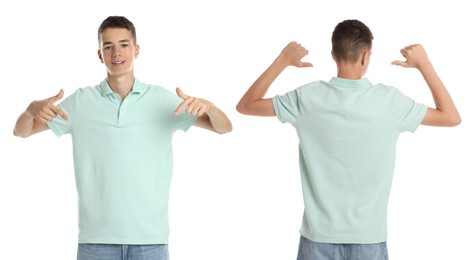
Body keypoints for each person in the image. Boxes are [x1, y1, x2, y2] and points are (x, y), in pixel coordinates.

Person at [236, 19, 460, 260]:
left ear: (333, 55)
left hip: (317, 239)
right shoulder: (390, 102)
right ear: (366, 56)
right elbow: (450, 117)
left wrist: (282, 61)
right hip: (369, 239)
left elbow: (246, 105)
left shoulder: (306, 98)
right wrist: (424, 65)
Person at [13, 16, 232, 260]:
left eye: (124, 44)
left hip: (150, 242)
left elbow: (223, 127)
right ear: (100, 55)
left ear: (136, 50)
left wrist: (210, 107)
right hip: (96, 243)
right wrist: (30, 109)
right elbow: (22, 131)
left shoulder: (162, 100)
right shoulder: (81, 103)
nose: (116, 52)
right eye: (108, 46)